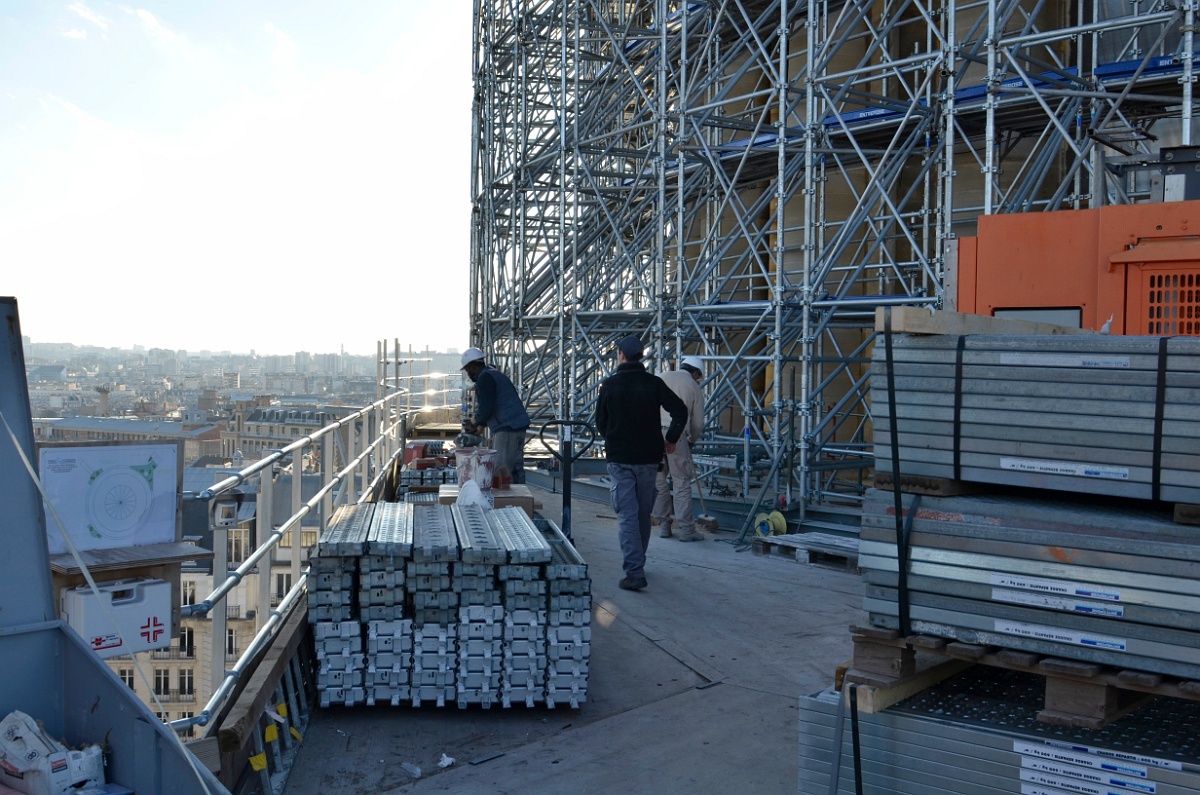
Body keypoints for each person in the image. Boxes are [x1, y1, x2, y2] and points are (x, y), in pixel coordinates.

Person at [594, 335, 689, 591]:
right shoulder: (653, 384)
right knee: (642, 514)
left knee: (627, 515)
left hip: (620, 459)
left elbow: (601, 422)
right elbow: (680, 411)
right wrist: (670, 439)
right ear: (641, 356)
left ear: (621, 355)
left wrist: (615, 437)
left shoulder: (609, 386)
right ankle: (639, 563)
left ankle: (634, 572)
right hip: (649, 459)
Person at [652, 355, 705, 542]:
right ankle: (686, 530)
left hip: (654, 435)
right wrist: (692, 440)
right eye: (699, 376)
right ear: (695, 372)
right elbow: (697, 422)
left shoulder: (661, 377)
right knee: (681, 481)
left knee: (658, 480)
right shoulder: (692, 386)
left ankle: (664, 525)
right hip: (676, 435)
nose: (698, 379)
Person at [460, 347, 531, 484]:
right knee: (515, 468)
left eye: (468, 370)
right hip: (517, 425)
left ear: (473, 366)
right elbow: (494, 404)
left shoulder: (484, 378)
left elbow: (486, 408)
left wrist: (473, 422)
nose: (468, 374)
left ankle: (505, 496)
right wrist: (481, 425)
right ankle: (521, 495)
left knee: (501, 469)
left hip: (507, 428)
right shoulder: (494, 374)